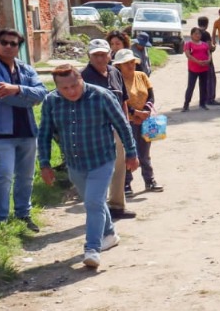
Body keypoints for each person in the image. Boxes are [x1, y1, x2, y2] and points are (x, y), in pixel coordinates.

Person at [37, 66, 138, 269]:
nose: (71, 91)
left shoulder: (101, 96)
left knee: (92, 202)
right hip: (75, 164)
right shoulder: (51, 101)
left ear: (81, 78)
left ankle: (92, 249)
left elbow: (122, 124)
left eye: (74, 85)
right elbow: (45, 133)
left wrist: (131, 152)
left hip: (102, 159)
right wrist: (45, 164)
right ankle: (109, 234)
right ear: (57, 87)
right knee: (96, 203)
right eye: (65, 88)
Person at [0, 29, 47, 230]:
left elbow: (42, 93)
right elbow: (2, 96)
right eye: (4, 42)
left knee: (26, 176)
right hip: (0, 132)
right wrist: (28, 98)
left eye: (13, 44)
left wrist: (18, 89)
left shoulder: (25, 68)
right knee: (5, 174)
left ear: (18, 47)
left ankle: (23, 214)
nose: (9, 46)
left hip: (27, 130)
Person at [81, 38, 133, 220]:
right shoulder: (83, 77)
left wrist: (125, 124)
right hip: (96, 130)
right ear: (89, 56)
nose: (100, 59)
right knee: (101, 170)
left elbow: (123, 100)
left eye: (103, 55)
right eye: (96, 55)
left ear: (110, 55)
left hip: (117, 127)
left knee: (119, 167)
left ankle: (117, 205)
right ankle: (100, 209)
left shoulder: (115, 73)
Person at [112, 49, 161, 195]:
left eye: (132, 62)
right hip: (128, 121)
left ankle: (150, 180)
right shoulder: (117, 79)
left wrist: (145, 111)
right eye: (126, 63)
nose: (130, 65)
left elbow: (151, 96)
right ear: (119, 65)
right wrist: (135, 113)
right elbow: (120, 101)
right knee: (129, 152)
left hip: (147, 119)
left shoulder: (142, 76)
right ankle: (126, 183)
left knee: (145, 152)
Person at [182, 27, 213, 112]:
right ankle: (186, 104)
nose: (197, 35)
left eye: (199, 33)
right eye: (195, 33)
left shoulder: (204, 44)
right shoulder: (189, 44)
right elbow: (188, 55)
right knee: (191, 86)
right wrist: (197, 61)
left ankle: (202, 103)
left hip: (204, 68)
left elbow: (208, 53)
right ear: (191, 35)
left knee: (203, 86)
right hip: (193, 68)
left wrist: (208, 60)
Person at [196, 15, 220, 105]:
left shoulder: (195, 33)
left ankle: (202, 98)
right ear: (207, 24)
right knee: (210, 79)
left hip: (197, 60)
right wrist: (214, 46)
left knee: (201, 80)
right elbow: (209, 47)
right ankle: (210, 98)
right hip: (207, 59)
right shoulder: (205, 34)